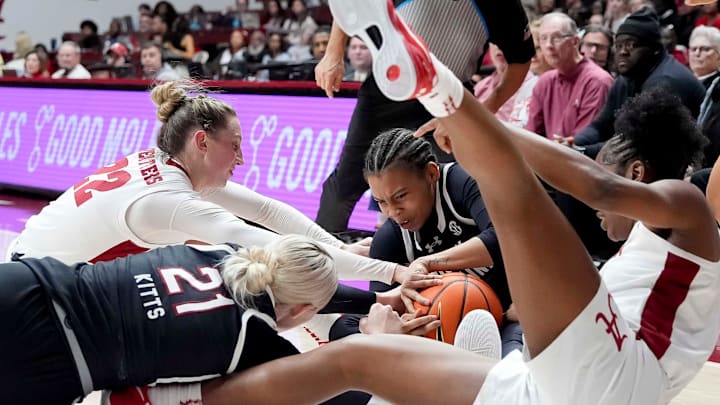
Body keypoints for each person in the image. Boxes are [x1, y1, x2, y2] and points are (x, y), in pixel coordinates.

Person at [179, 2, 720, 404]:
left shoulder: (687, 205)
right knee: (356, 359)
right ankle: (180, 400)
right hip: (561, 379)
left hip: (619, 373)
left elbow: (594, 186)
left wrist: (477, 128)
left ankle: (434, 81)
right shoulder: (666, 235)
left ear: (641, 173)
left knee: (512, 190)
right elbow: (591, 183)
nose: (600, 219)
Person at [7, 81, 409, 287]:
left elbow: (267, 210)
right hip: (38, 288)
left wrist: (337, 247)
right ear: (202, 142)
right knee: (229, 281)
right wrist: (391, 272)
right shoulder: (167, 199)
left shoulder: (168, 164)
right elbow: (273, 244)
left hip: (27, 262)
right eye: (234, 147)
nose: (242, 159)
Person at [0, 235, 342, 404]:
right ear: (301, 311)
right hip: (50, 360)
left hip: (29, 280)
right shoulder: (260, 344)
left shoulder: (220, 250)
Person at [313, 0, 535, 233]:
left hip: (450, 100)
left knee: (448, 190)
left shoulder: (500, 5)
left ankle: (443, 263)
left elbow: (520, 61)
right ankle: (316, 260)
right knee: (344, 186)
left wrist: (481, 112)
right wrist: (333, 52)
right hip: (386, 89)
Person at [573, 8, 705, 157]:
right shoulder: (626, 78)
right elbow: (600, 126)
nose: (623, 52)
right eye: (619, 45)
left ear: (654, 49)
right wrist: (574, 143)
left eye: (632, 45)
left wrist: (582, 151)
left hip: (687, 163)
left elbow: (638, 144)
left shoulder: (665, 81)